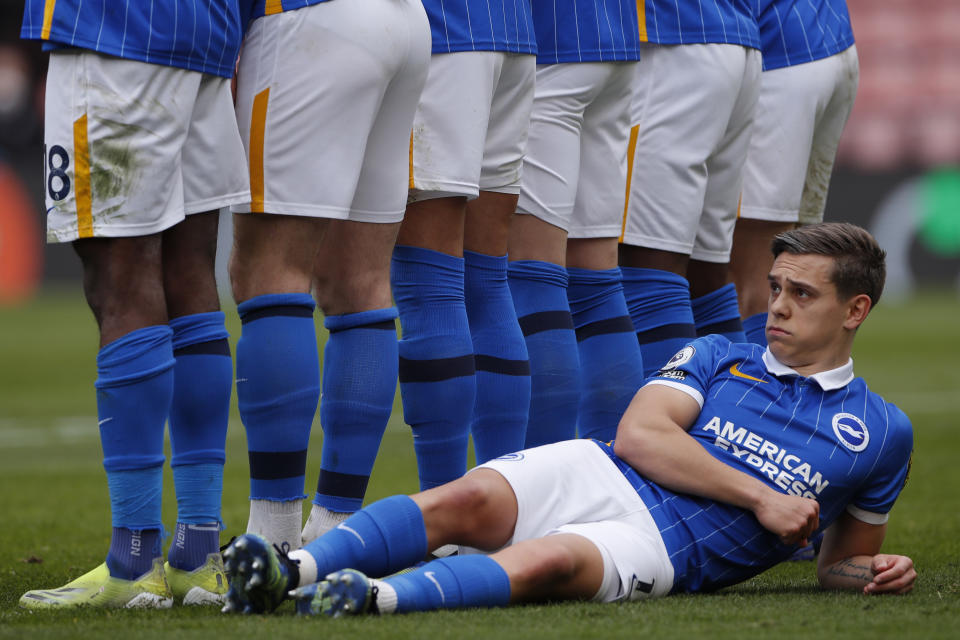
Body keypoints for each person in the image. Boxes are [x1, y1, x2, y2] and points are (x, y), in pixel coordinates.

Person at [221, 222, 916, 616]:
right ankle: (293, 570)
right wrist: (763, 497)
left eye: (802, 294)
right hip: (606, 469)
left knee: (551, 562)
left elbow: (839, 563)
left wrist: (875, 572)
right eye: (774, 289)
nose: (778, 308)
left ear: (855, 310)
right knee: (467, 498)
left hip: (670, 548)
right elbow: (640, 437)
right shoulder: (718, 355)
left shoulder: (881, 432)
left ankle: (372, 600)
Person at [18, 0, 252, 608]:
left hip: (114, 32)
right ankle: (199, 557)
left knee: (117, 279)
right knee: (188, 275)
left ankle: (134, 560)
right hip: (207, 35)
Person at [228, 0, 431, 551]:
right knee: (360, 283)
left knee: (269, 272)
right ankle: (335, 532)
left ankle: (270, 539)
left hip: (307, 22)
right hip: (406, 24)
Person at [390, 0, 537, 489]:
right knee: (487, 283)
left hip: (446, 33)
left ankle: (445, 519)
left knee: (429, 287)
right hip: (513, 32)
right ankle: (506, 510)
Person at [507, 0, 645, 445]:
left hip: (549, 42)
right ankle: (607, 474)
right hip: (616, 40)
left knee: (534, 274)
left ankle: (538, 482)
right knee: (596, 278)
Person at [619, 0, 761, 376]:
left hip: (670, 40)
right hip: (736, 38)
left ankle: (656, 429)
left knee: (647, 268)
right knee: (707, 277)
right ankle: (731, 424)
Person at [730, 0, 859, 346]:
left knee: (755, 277)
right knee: (794, 258)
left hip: (776, 53)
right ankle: (795, 392)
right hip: (831, 37)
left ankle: (754, 396)